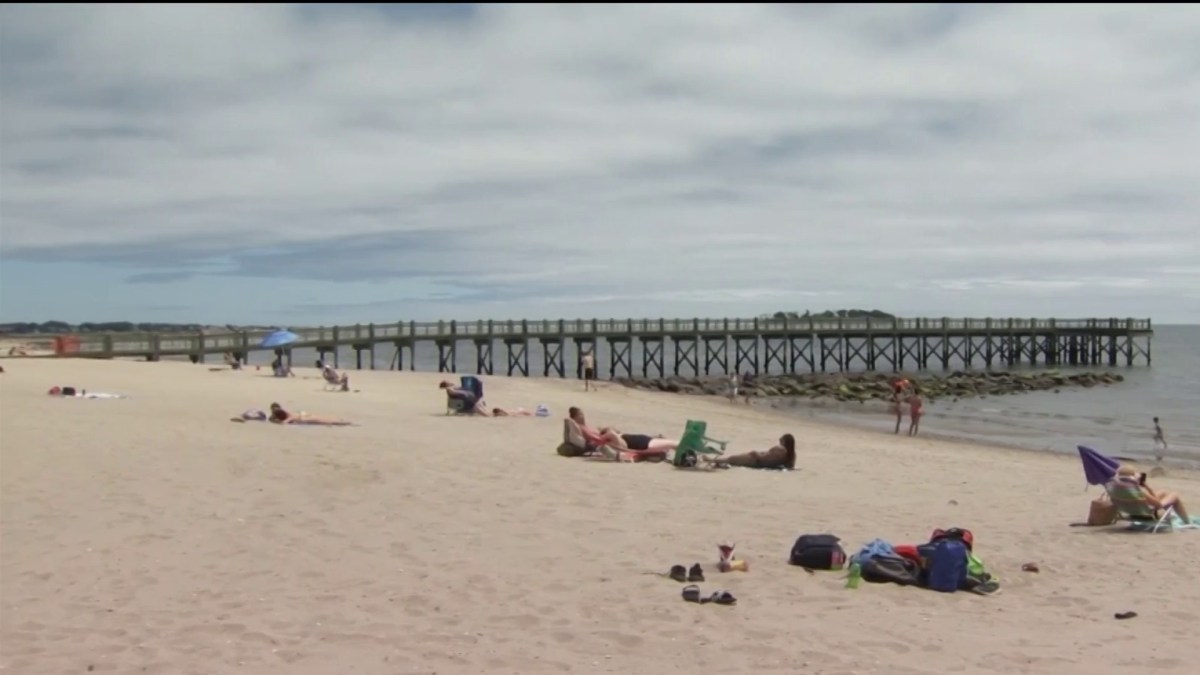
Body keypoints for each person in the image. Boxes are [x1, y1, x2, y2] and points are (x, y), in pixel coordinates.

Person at [1116, 466, 1190, 521]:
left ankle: (1171, 514)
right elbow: (1158, 504)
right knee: (1174, 495)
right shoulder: (1138, 492)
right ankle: (1187, 522)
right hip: (1144, 511)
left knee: (1163, 492)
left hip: (1132, 510)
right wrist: (1146, 488)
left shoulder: (1117, 489)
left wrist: (1146, 486)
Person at [707, 434, 796, 470]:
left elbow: (763, 458)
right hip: (762, 464)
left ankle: (712, 460)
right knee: (733, 461)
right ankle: (717, 462)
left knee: (732, 459)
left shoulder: (779, 449)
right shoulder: (792, 455)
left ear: (784, 441)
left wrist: (755, 453)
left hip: (756, 461)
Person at [268, 402, 352, 426]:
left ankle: (343, 422)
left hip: (303, 418)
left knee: (324, 421)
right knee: (323, 419)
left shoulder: (287, 416)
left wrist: (274, 419)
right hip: (302, 415)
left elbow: (285, 422)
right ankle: (341, 421)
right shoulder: (285, 413)